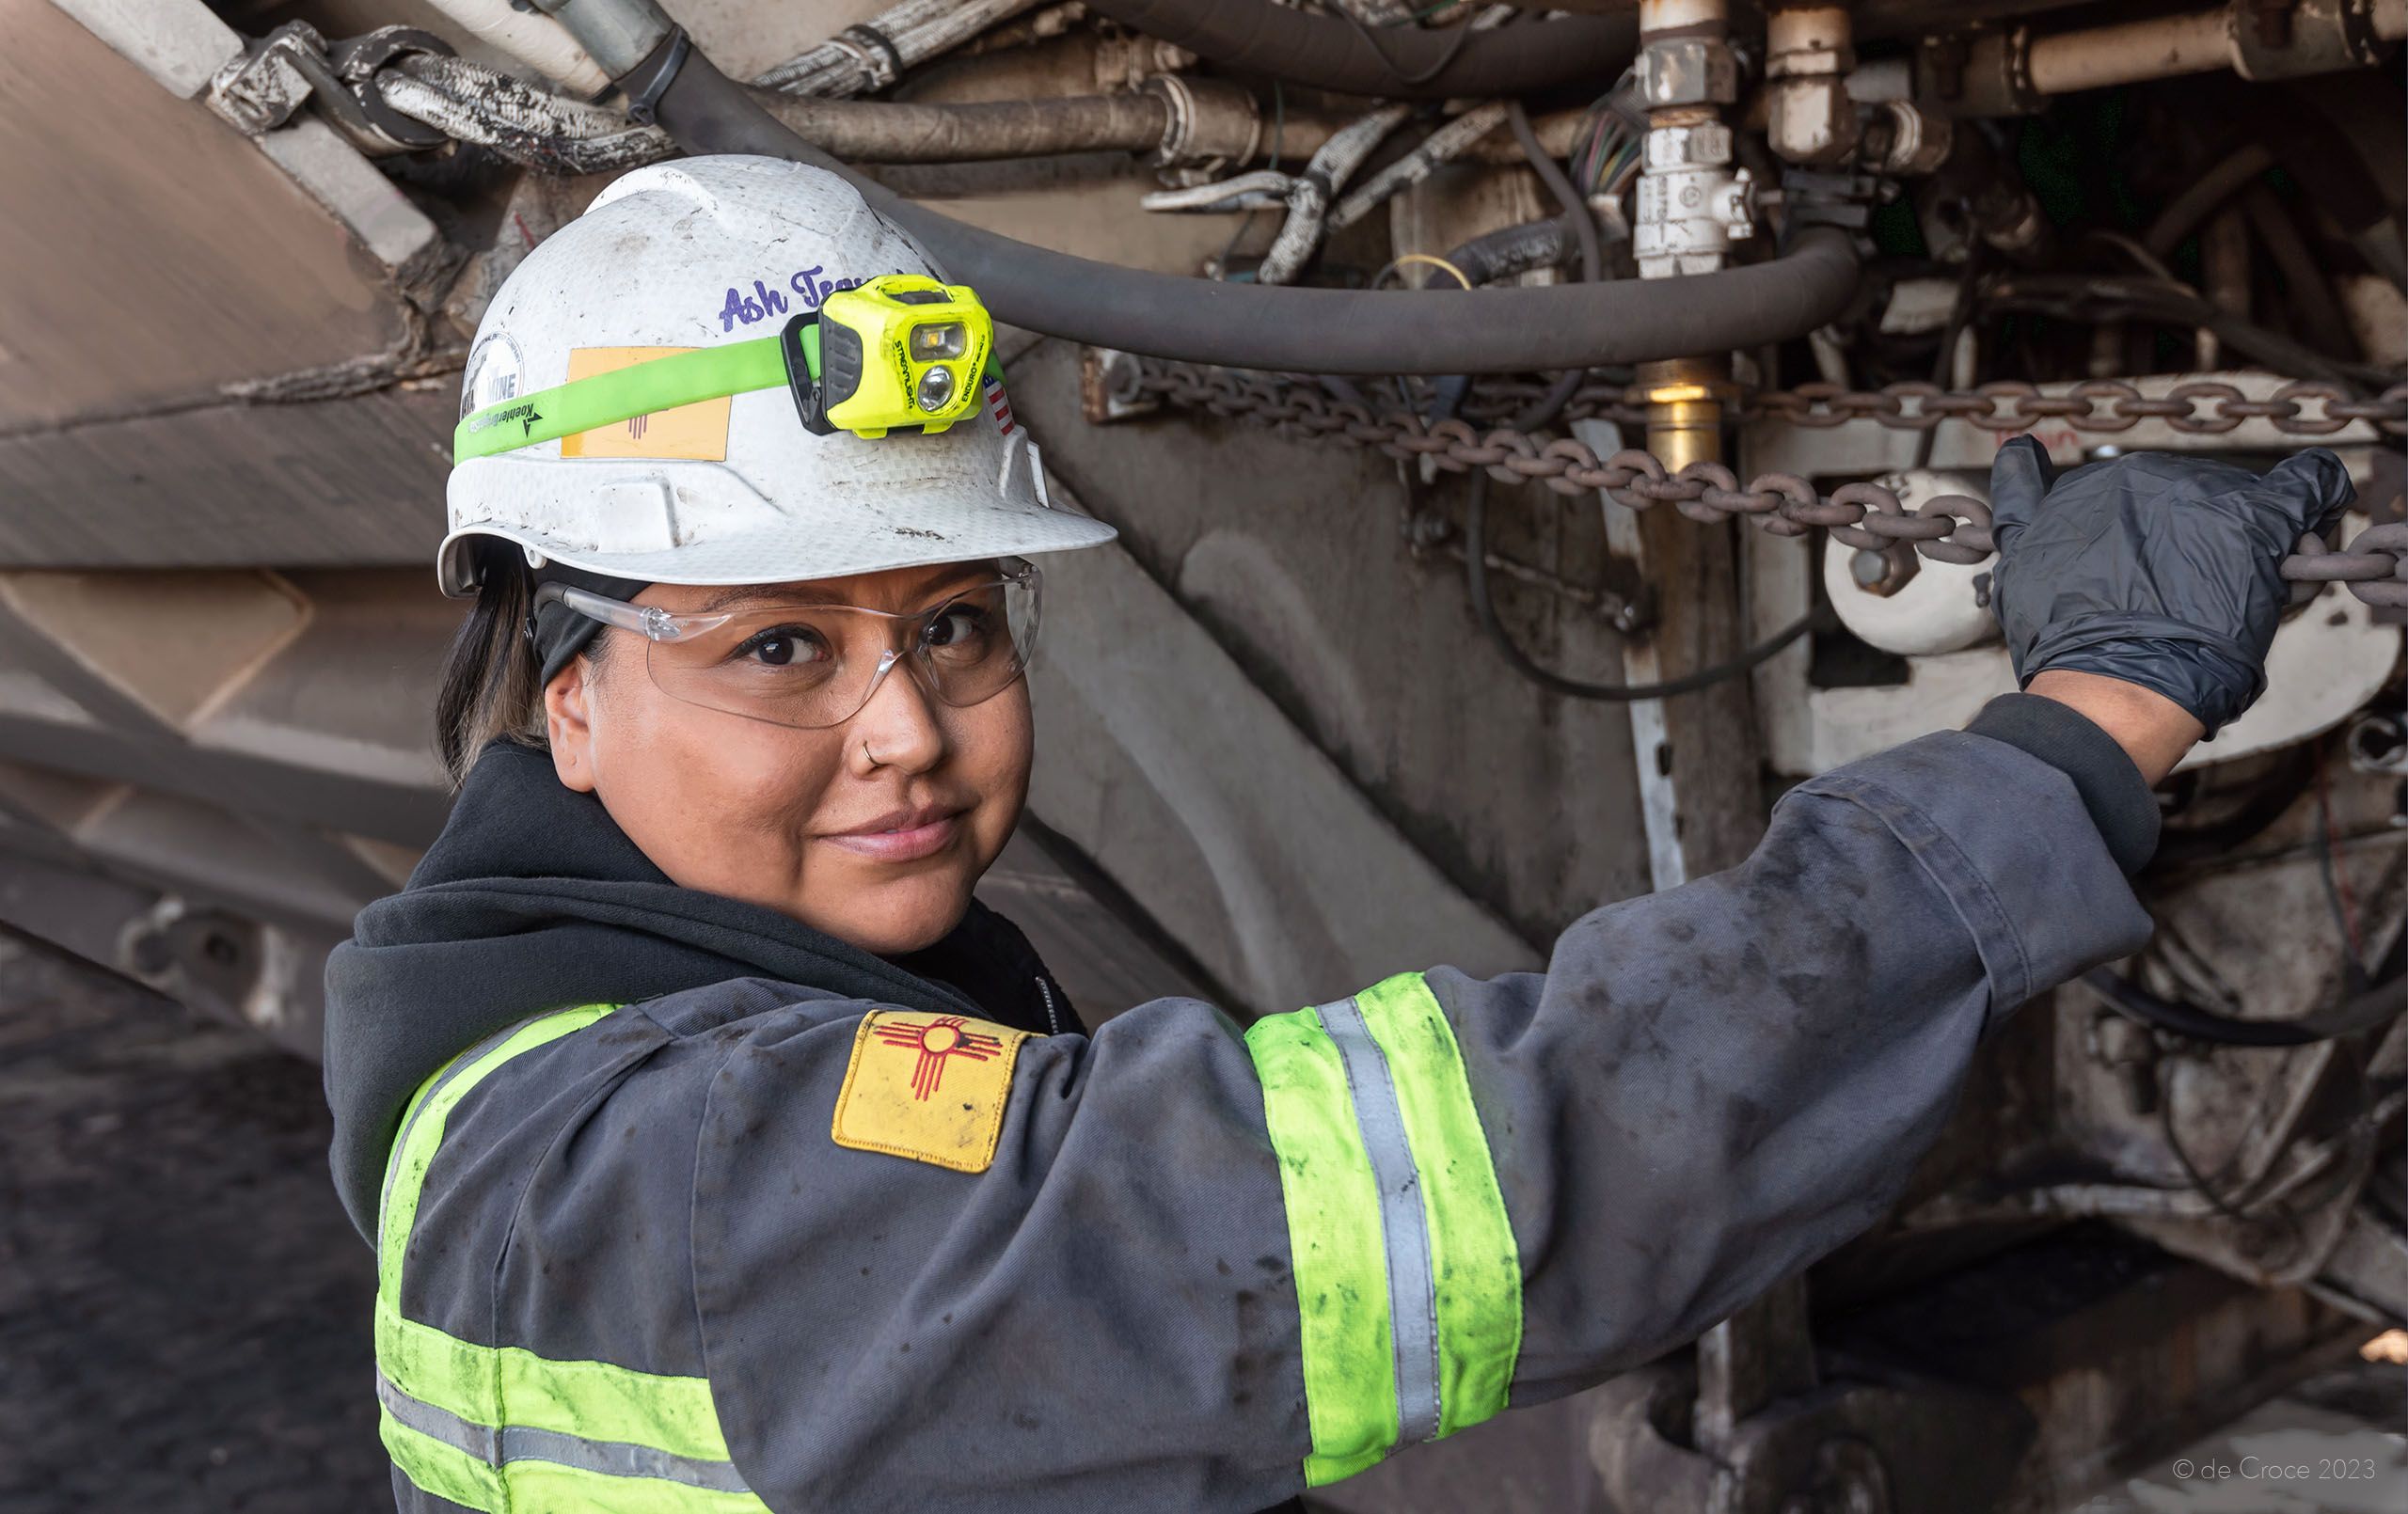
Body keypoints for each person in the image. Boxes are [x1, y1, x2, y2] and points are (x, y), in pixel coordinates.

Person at [323, 154, 2353, 1514]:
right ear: (559, 686)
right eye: (779, 647)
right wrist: (2083, 722)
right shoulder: (654, 1171)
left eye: (951, 624)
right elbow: (1489, 1171)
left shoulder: (622, 1069)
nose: (908, 735)